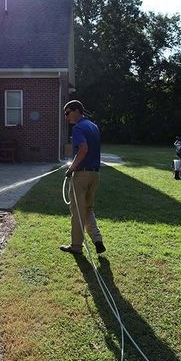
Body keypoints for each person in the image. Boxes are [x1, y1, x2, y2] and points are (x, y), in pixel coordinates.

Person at [60, 100, 106, 255]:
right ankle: (97, 239)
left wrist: (71, 168)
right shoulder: (94, 126)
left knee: (77, 211)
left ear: (77, 111)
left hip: (81, 175)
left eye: (67, 113)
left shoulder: (78, 127)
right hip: (95, 174)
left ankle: (76, 246)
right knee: (87, 209)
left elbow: (83, 149)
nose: (66, 117)